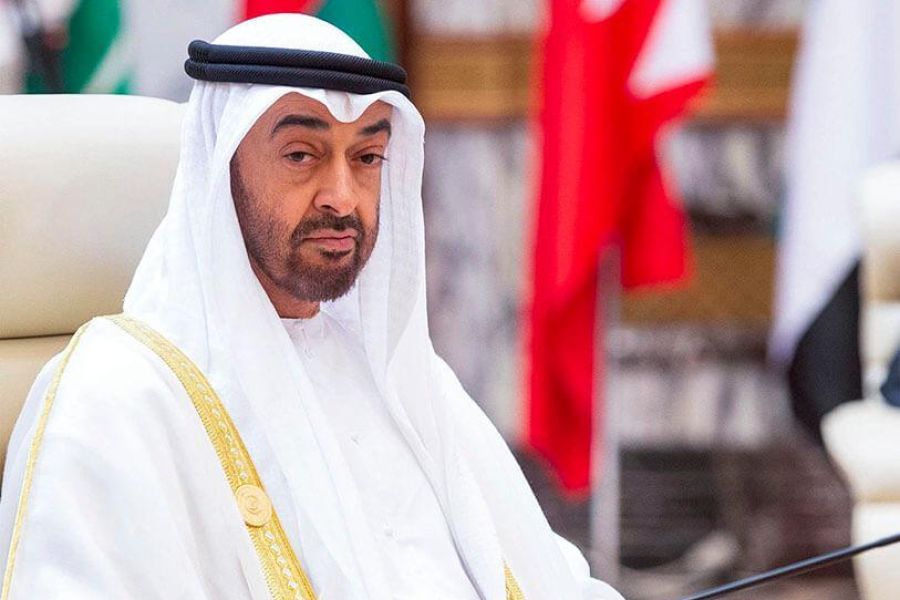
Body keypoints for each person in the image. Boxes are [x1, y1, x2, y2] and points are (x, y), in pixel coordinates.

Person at [0, 14, 624, 600]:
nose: (343, 197)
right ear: (221, 167)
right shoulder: (119, 393)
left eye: (367, 157)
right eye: (302, 155)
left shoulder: (407, 384)